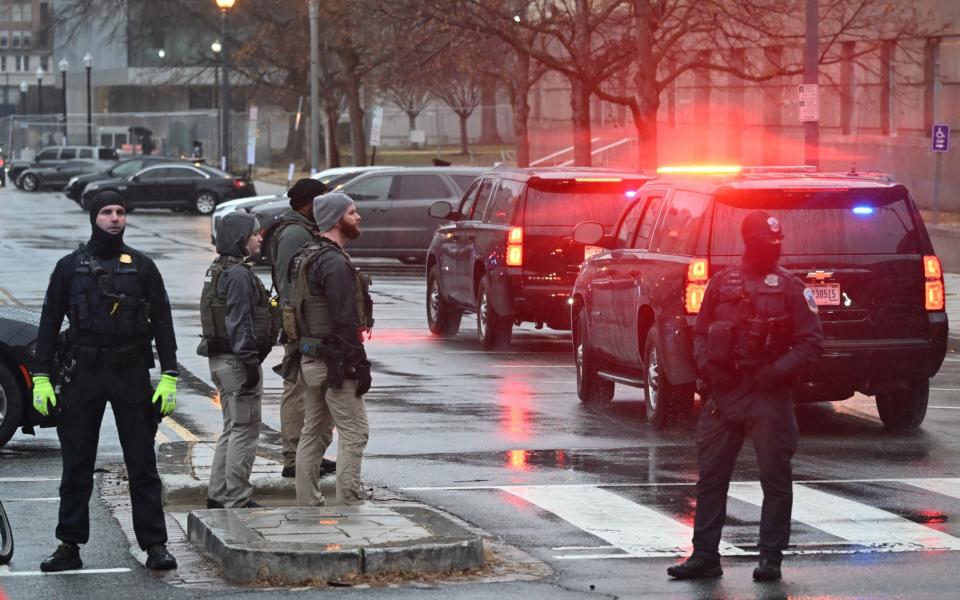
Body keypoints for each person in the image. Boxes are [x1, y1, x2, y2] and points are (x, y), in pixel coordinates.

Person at [667, 210, 823, 582]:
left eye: (775, 243)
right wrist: (709, 369)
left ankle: (770, 558)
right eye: (763, 243)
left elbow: (811, 343)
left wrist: (775, 372)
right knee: (710, 478)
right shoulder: (721, 283)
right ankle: (705, 555)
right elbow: (701, 332)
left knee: (775, 479)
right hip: (725, 394)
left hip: (769, 397)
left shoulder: (791, 288)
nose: (772, 249)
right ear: (747, 242)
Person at [32, 191, 179, 572]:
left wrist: (169, 376)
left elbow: (163, 322)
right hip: (84, 372)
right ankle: (69, 545)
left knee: (142, 463)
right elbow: (49, 324)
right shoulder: (69, 267)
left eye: (120, 212)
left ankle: (155, 545)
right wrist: (42, 377)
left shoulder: (143, 267)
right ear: (94, 217)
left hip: (130, 371)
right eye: (106, 212)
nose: (114, 218)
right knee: (76, 463)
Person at [288, 192, 373, 506]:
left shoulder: (308, 255)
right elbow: (343, 317)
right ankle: (349, 500)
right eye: (352, 212)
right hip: (335, 362)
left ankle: (307, 500)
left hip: (311, 358)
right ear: (337, 219)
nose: (358, 217)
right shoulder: (334, 262)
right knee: (355, 431)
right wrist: (358, 363)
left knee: (313, 431)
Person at [198, 211, 279, 509]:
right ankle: (237, 497)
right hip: (236, 361)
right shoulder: (238, 274)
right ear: (241, 238)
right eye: (255, 233)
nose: (260, 238)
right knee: (245, 430)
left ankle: (218, 494)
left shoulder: (219, 268)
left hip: (221, 360)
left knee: (232, 428)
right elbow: (239, 320)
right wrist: (249, 362)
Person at [270, 178, 335, 479]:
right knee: (296, 391)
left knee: (316, 392)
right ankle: (293, 457)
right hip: (300, 326)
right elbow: (288, 284)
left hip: (315, 324)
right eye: (322, 199)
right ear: (309, 203)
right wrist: (295, 325)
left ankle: (312, 454)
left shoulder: (307, 229)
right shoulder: (294, 234)